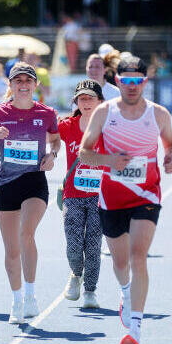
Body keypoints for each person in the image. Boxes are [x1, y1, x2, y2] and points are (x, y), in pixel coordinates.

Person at [78, 56, 172, 344]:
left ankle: (135, 327)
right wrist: (110, 161)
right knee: (121, 263)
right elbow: (85, 154)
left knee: (139, 257)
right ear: (118, 81)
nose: (132, 86)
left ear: (145, 82)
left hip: (146, 194)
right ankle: (125, 293)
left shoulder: (158, 114)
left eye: (138, 81)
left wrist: (171, 157)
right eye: (127, 81)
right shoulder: (103, 112)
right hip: (112, 196)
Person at [0, 62, 61, 324]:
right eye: (18, 81)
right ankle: (17, 299)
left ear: (35, 85)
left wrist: (52, 154)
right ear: (10, 85)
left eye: (28, 81)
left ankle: (32, 294)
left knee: (27, 234)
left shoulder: (46, 113)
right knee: (11, 249)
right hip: (6, 184)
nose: (23, 85)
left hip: (35, 180)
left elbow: (55, 139)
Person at [59, 79, 104, 308]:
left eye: (91, 98)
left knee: (94, 245)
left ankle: (90, 291)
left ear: (100, 102)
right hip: (73, 194)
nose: (86, 102)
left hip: (99, 196)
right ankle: (76, 274)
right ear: (76, 101)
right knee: (74, 243)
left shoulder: (109, 127)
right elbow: (47, 135)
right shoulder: (67, 126)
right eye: (82, 98)